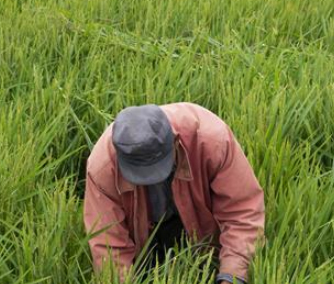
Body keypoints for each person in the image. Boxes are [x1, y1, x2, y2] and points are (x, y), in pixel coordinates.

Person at [84, 103, 265, 283]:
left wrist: (231, 276)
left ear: (175, 141)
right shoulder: (103, 166)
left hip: (202, 222)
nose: (152, 179)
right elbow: (108, 245)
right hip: (143, 231)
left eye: (157, 170)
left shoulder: (212, 140)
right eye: (142, 175)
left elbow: (241, 213)